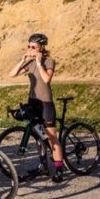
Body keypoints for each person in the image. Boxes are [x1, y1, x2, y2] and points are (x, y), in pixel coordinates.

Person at [9, 32, 64, 182]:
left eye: (33, 47)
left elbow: (46, 79)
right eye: (28, 46)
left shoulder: (49, 61)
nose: (30, 49)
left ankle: (59, 168)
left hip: (45, 103)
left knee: (52, 137)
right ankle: (43, 166)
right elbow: (12, 74)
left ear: (41, 47)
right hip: (33, 102)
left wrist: (39, 63)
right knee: (39, 136)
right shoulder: (30, 62)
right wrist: (22, 61)